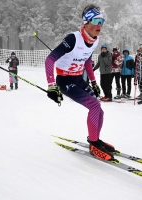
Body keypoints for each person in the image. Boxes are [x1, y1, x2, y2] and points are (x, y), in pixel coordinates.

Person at [45, 4, 115, 161]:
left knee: (99, 110)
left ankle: (95, 139)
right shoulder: (73, 39)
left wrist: (94, 82)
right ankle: (94, 144)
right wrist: (51, 86)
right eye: (96, 21)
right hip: (64, 80)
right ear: (86, 22)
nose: (99, 25)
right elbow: (50, 59)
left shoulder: (95, 41)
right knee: (94, 105)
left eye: (102, 21)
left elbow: (87, 61)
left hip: (78, 78)